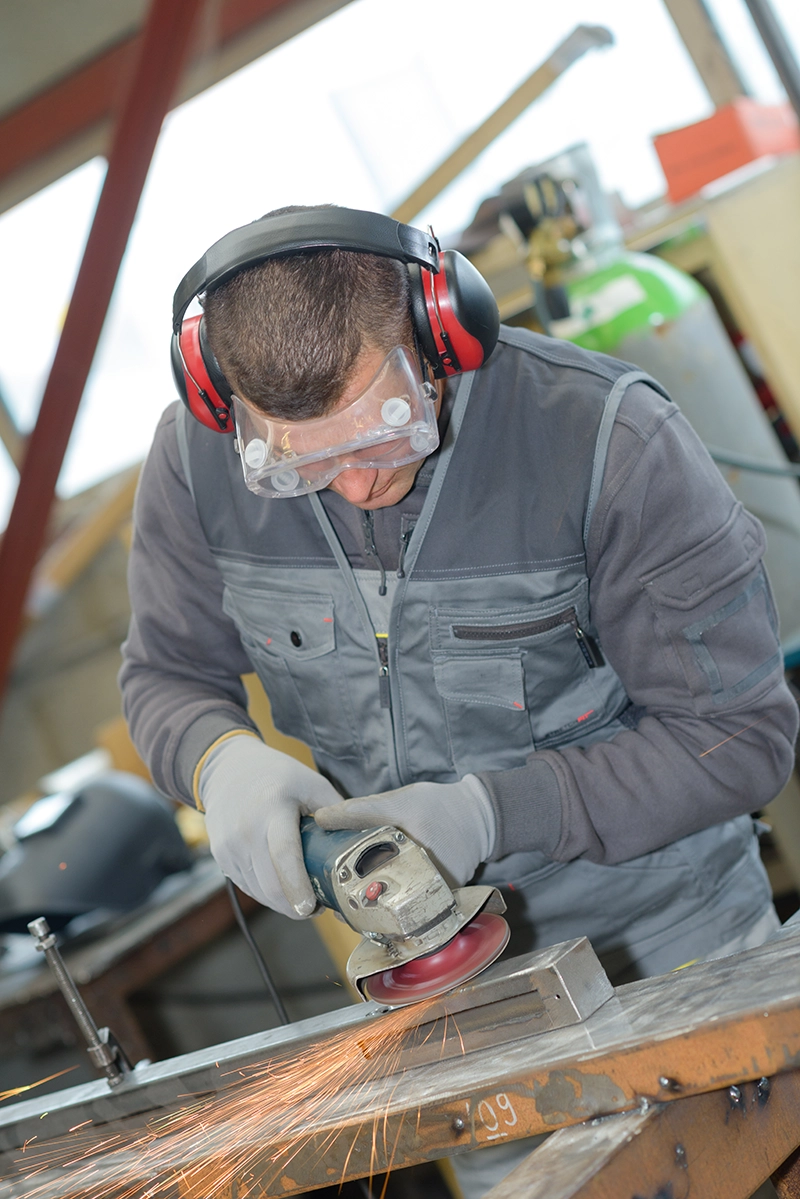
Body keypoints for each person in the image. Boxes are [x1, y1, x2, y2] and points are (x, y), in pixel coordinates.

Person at [120, 205, 797, 1197]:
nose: (352, 485)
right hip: (464, 1014)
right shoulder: (191, 464)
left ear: (442, 331)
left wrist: (488, 809)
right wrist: (215, 757)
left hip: (680, 957)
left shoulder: (603, 437)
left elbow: (735, 738)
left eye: (379, 432)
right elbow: (165, 674)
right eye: (302, 463)